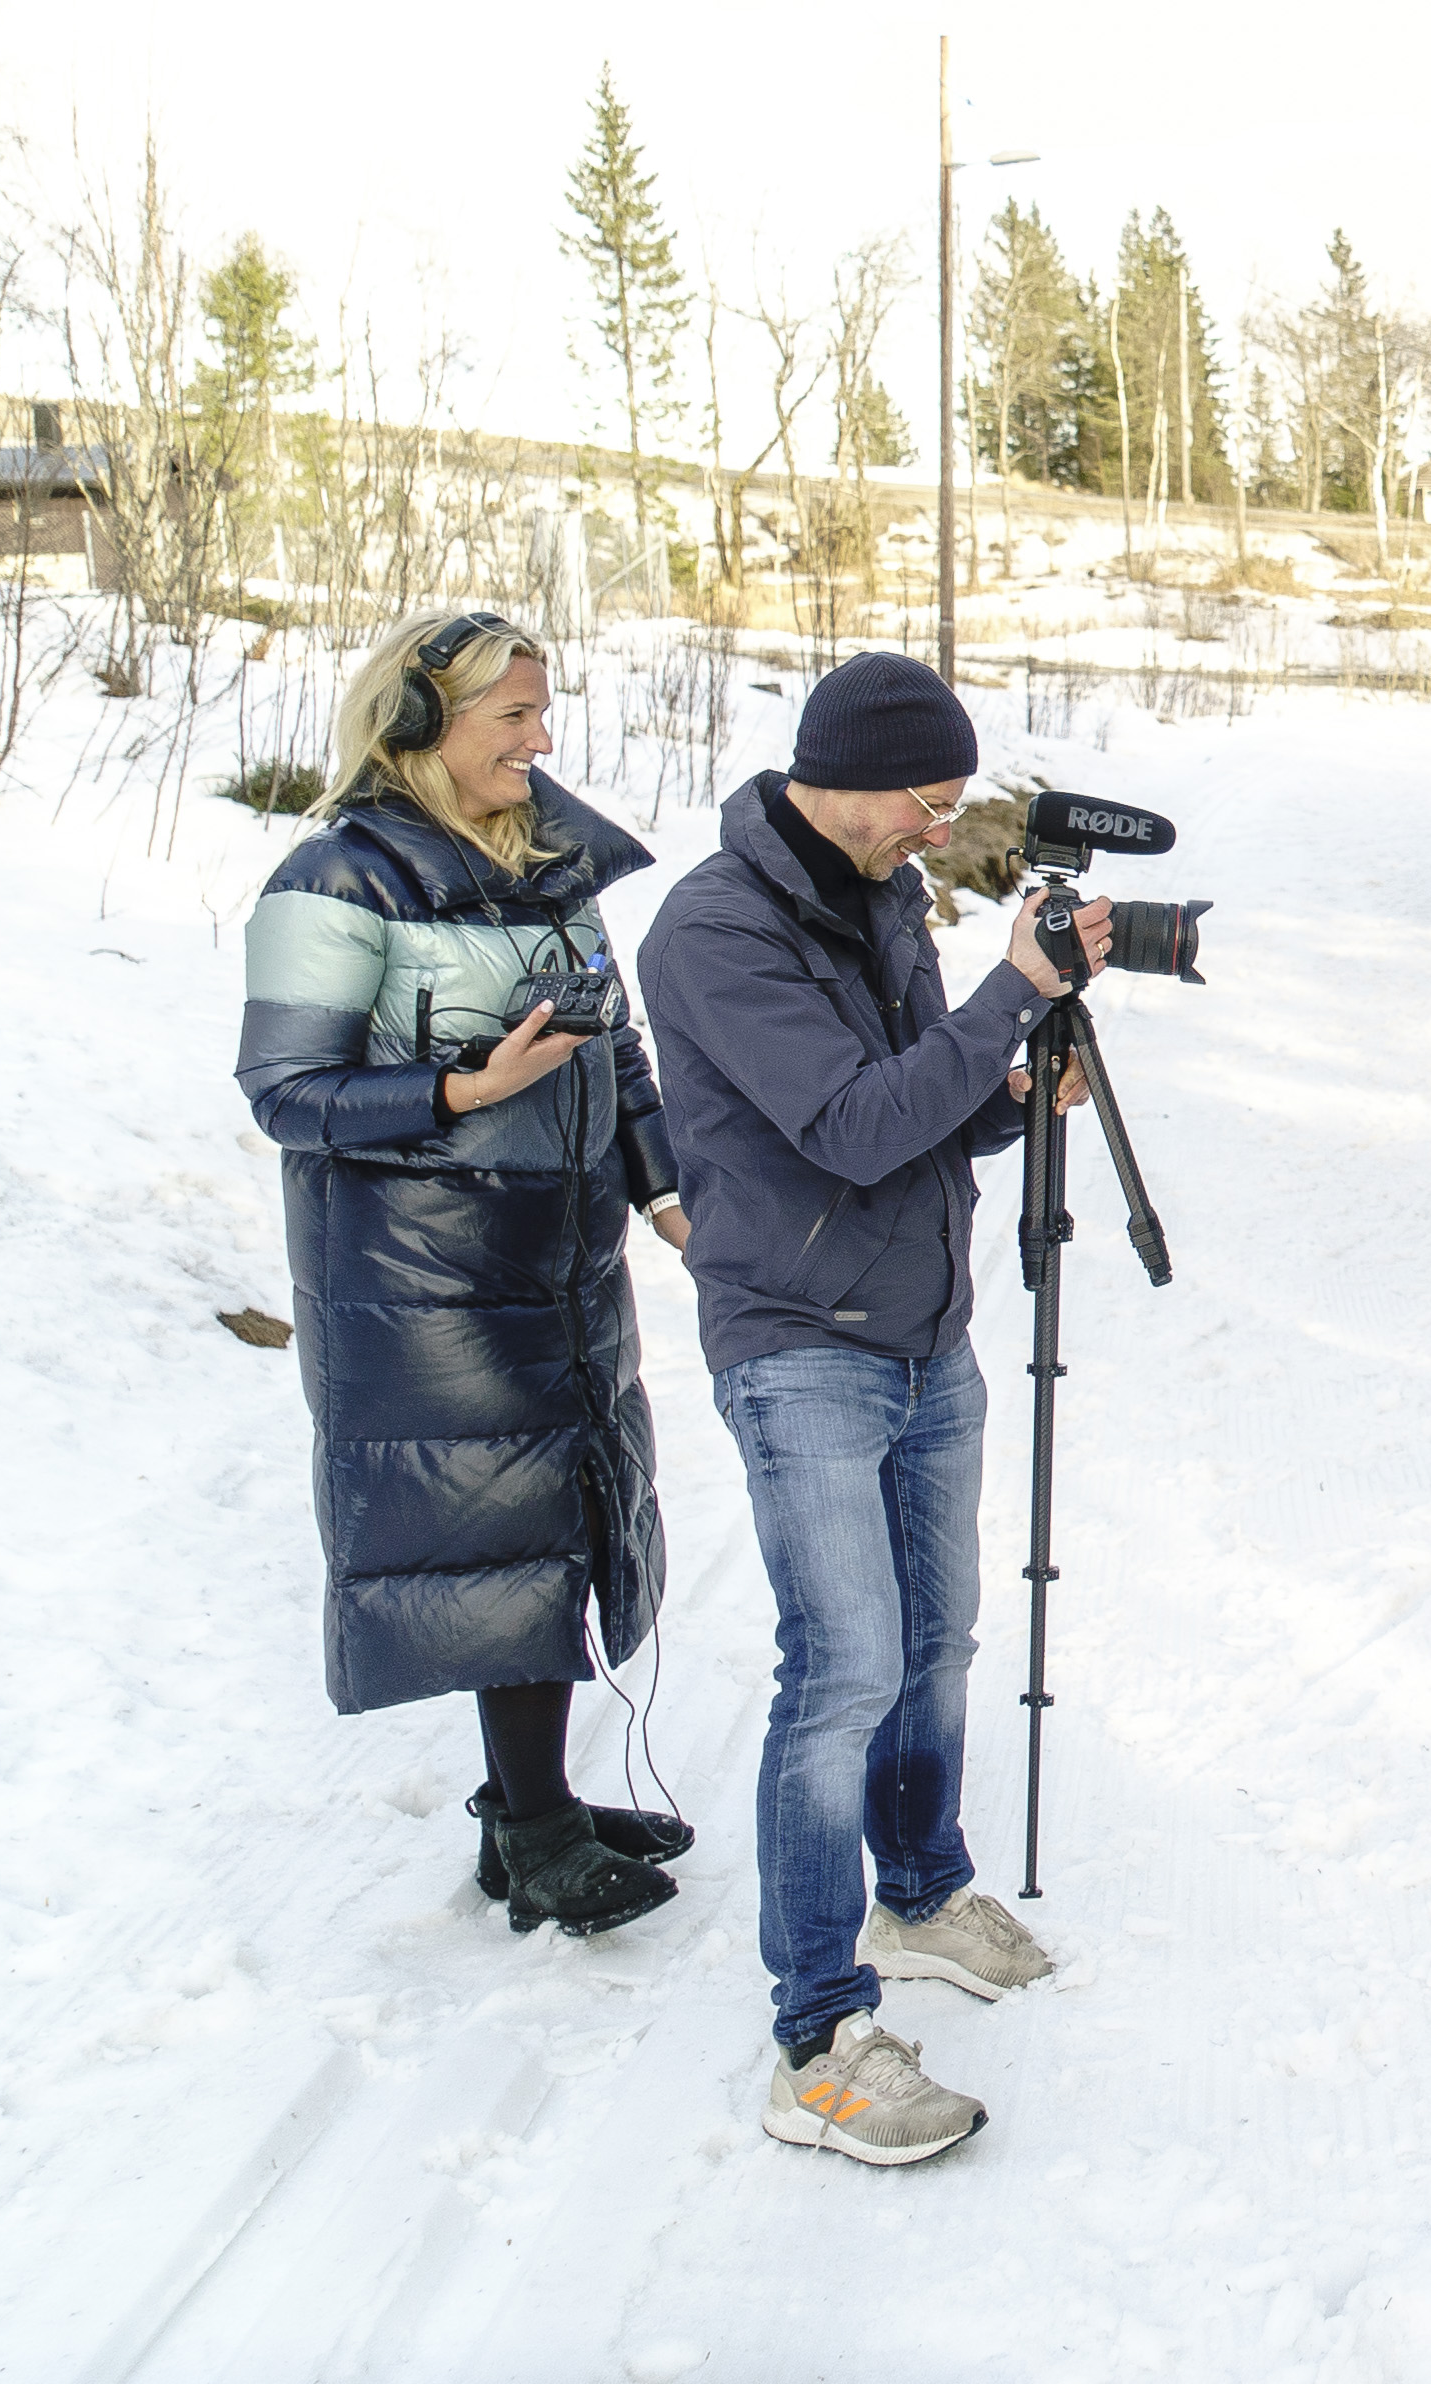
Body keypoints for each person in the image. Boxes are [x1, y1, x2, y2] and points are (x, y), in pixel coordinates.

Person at [633, 649, 1112, 2170]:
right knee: (840, 1668)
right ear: (844, 774)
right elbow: (845, 1127)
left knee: (938, 1638)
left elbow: (927, 1102)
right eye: (928, 803)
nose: (938, 833)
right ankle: (818, 2037)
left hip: (923, 1327)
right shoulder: (712, 928)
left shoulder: (888, 897)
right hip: (799, 1337)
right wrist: (1005, 999)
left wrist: (1019, 1087)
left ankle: (919, 1890)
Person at [234, 609, 694, 1938]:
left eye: (544, 715)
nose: (543, 742)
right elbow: (286, 1089)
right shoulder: (336, 880)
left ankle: (526, 1804)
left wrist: (666, 1194)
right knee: (501, 1532)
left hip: (559, 1259)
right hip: (419, 1274)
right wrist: (459, 1084)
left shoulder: (553, 864)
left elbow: (620, 1053)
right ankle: (539, 1831)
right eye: (514, 719)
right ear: (423, 726)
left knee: (563, 1519)